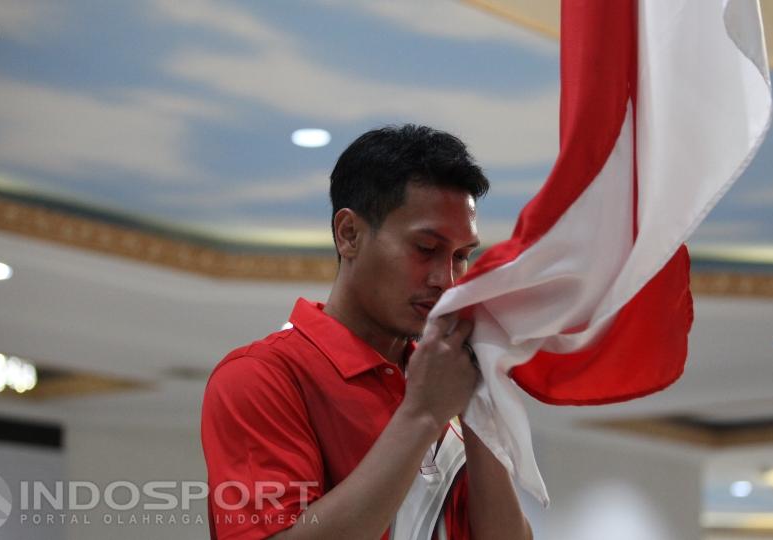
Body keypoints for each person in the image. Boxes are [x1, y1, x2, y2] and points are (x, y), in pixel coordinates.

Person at [201, 124, 532, 540]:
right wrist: (422, 414)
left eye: (462, 256)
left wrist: (479, 409)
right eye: (426, 249)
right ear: (349, 234)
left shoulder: (440, 378)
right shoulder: (261, 375)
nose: (447, 281)